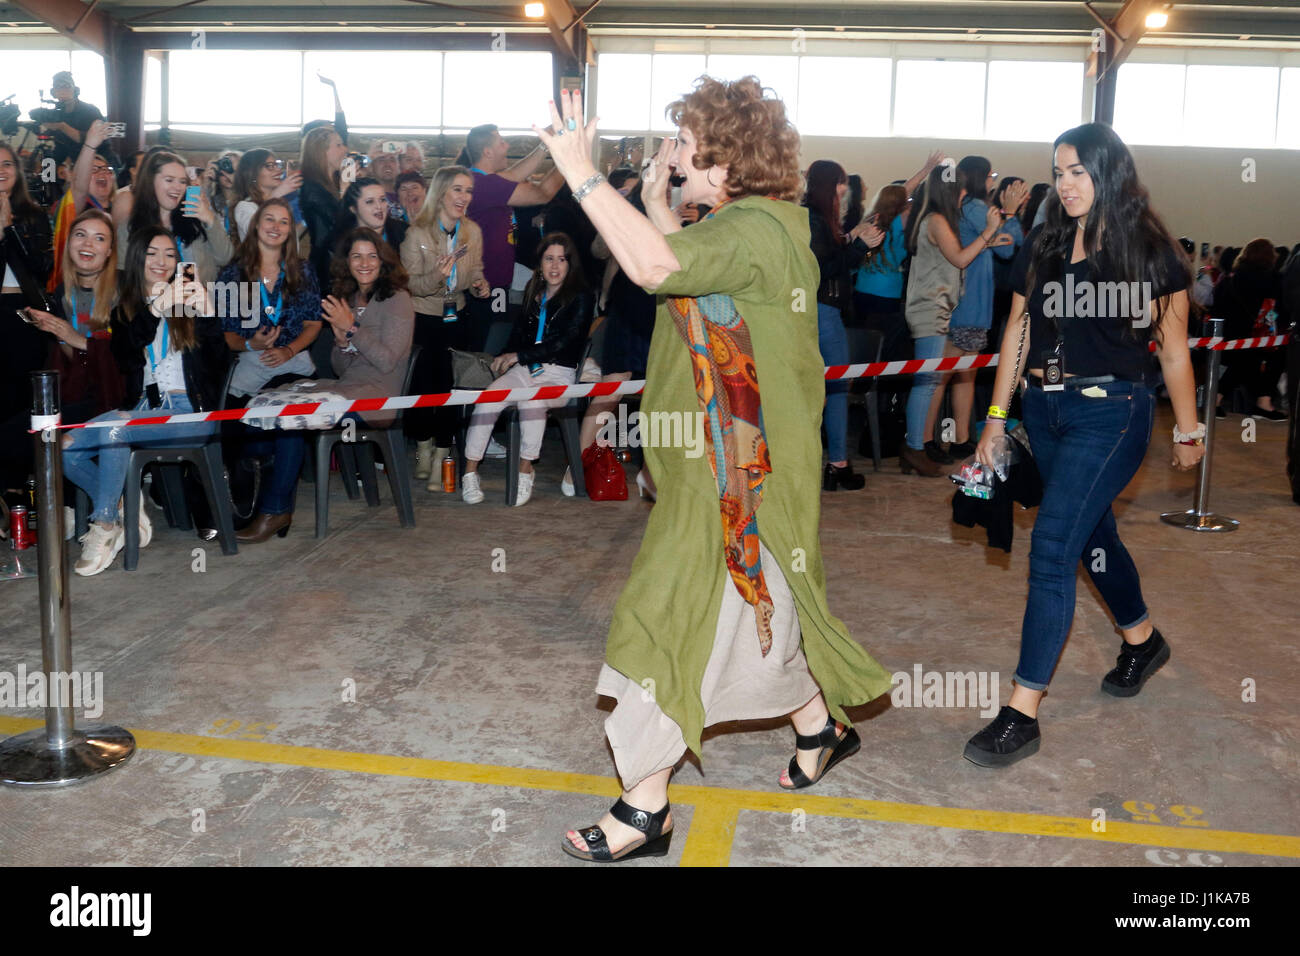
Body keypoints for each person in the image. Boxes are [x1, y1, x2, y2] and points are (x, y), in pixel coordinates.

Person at [538, 78, 892, 862]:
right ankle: (818, 725)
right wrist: (660, 196)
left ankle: (645, 806)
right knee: (755, 612)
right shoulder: (751, 228)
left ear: (724, 160)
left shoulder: (758, 233)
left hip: (741, 475)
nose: (675, 151)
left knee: (672, 618)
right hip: (730, 463)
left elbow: (659, 270)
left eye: (688, 143)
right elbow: (688, 266)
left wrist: (583, 175)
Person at [966, 122, 1201, 766]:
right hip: (1044, 410)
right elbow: (1016, 330)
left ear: (1109, 173)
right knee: (1091, 535)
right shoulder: (1045, 240)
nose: (1066, 185)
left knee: (1051, 546)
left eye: (1078, 172)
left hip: (1113, 412)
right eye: (1059, 171)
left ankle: (1022, 710)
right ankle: (1142, 638)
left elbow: (1175, 353)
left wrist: (1188, 428)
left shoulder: (1152, 253)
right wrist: (994, 417)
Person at [61, 227, 228, 576]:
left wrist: (211, 314)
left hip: (192, 413)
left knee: (116, 428)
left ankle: (105, 526)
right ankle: (124, 506)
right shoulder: (126, 310)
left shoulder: (192, 303)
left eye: (169, 254)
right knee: (65, 447)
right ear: (139, 259)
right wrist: (155, 310)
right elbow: (124, 356)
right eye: (152, 253)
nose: (161, 261)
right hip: (145, 410)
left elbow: (219, 365)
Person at [236, 228, 413, 542]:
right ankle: (258, 498)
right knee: (260, 405)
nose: (364, 262)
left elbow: (386, 362)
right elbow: (342, 366)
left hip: (377, 399)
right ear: (346, 262)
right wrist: (344, 343)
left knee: (291, 418)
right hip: (346, 388)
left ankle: (275, 510)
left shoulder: (397, 299)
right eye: (356, 256)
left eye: (372, 255)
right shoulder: (348, 298)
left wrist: (353, 329)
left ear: (383, 260)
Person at [459, 233, 591, 506]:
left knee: (532, 404)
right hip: (526, 368)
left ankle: (525, 470)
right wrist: (502, 358)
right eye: (549, 259)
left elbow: (564, 342)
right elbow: (519, 334)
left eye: (562, 260)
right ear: (540, 263)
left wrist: (518, 354)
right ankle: (469, 473)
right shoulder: (534, 290)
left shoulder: (582, 297)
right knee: (489, 398)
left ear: (570, 264)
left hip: (560, 373)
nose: (554, 266)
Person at [1, 209, 122, 496]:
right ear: (68, 245)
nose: (87, 244)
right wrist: (57, 334)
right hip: (81, 396)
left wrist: (72, 337)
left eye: (99, 238)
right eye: (80, 235)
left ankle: (112, 504)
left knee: (16, 436)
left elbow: (126, 359)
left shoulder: (125, 290)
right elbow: (78, 364)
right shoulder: (62, 294)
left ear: (109, 251)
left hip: (118, 399)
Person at [898, 165, 1007, 477]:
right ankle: (915, 447)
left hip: (934, 307)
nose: (964, 194)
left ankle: (915, 447)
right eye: (960, 189)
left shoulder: (931, 218)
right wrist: (988, 231)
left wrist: (987, 241)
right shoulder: (936, 220)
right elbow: (959, 258)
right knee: (927, 381)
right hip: (931, 308)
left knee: (928, 379)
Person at [399, 165, 489, 486]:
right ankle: (423, 452)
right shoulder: (416, 233)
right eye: (457, 190)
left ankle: (442, 455)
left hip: (457, 318)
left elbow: (476, 268)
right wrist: (439, 275)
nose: (464, 197)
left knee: (452, 389)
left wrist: (479, 283)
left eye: (468, 191)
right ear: (441, 193)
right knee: (424, 389)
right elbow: (409, 284)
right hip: (423, 320)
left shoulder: (472, 232)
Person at [934, 157, 1024, 461]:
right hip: (966, 301)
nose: (993, 181)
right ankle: (927, 442)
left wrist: (1005, 224)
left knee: (965, 373)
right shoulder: (973, 207)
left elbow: (1009, 245)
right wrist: (1009, 215)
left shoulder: (973, 208)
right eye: (990, 175)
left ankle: (961, 438)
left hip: (975, 301)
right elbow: (1008, 246)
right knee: (944, 374)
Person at [802, 159, 883, 490]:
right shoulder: (815, 218)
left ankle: (834, 461)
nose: (845, 188)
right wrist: (861, 246)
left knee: (833, 387)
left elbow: (828, 256)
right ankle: (837, 463)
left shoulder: (816, 217)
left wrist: (853, 237)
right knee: (837, 386)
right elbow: (823, 268)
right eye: (840, 182)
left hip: (821, 310)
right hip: (823, 311)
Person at [460, 123, 565, 347]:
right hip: (486, 286)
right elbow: (543, 193)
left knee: (489, 344)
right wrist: (570, 161)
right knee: (486, 349)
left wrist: (544, 144)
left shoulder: (479, 180)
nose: (507, 145)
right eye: (501, 142)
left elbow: (516, 174)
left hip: (491, 284)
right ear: (487, 152)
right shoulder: (484, 185)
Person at [216, 198, 322, 398]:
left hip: (295, 365)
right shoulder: (231, 275)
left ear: (290, 230)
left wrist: (289, 351)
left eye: (283, 222)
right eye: (269, 219)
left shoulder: (303, 270)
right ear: (256, 225)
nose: (276, 227)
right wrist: (250, 344)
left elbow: (313, 324)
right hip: (250, 369)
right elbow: (226, 336)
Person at [1, 141, 56, 427]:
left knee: (21, 396)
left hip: (24, 312)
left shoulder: (34, 216)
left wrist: (9, 230)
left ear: (18, 171)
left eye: (7, 164)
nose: (1, 170)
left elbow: (42, 268)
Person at [126, 151, 235, 285]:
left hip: (198, 301)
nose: (177, 187)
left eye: (182, 181)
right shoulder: (131, 225)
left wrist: (210, 219)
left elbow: (225, 257)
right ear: (150, 181)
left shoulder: (195, 218)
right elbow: (124, 277)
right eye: (169, 180)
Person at [1211, 238, 1288, 421]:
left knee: (1242, 363)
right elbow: (1279, 307)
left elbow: (1218, 305)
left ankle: (1216, 400)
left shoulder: (1231, 278)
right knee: (1276, 358)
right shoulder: (1273, 279)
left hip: (1229, 333)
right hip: (1259, 333)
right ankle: (1263, 403)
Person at [299, 124, 347, 282]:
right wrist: (346, 192)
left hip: (337, 263)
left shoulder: (330, 185)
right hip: (326, 269)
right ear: (322, 151)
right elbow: (339, 223)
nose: (344, 150)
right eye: (338, 145)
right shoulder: (312, 188)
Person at [231, 148, 304, 242]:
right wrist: (278, 193)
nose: (279, 170)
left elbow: (286, 239)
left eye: (277, 164)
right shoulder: (245, 206)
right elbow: (256, 232)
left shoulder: (281, 204)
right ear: (253, 173)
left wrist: (305, 221)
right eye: (270, 166)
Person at [38, 72, 107, 165]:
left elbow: (93, 139)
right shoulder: (57, 114)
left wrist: (62, 127)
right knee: (46, 173)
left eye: (67, 86)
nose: (63, 90)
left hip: (99, 161)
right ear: (53, 92)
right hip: (70, 162)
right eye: (58, 87)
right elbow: (60, 146)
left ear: (75, 90)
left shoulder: (90, 111)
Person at [330, 177, 408, 256]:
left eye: (382, 200)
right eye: (370, 201)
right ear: (353, 209)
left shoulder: (404, 232)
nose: (379, 206)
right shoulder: (338, 243)